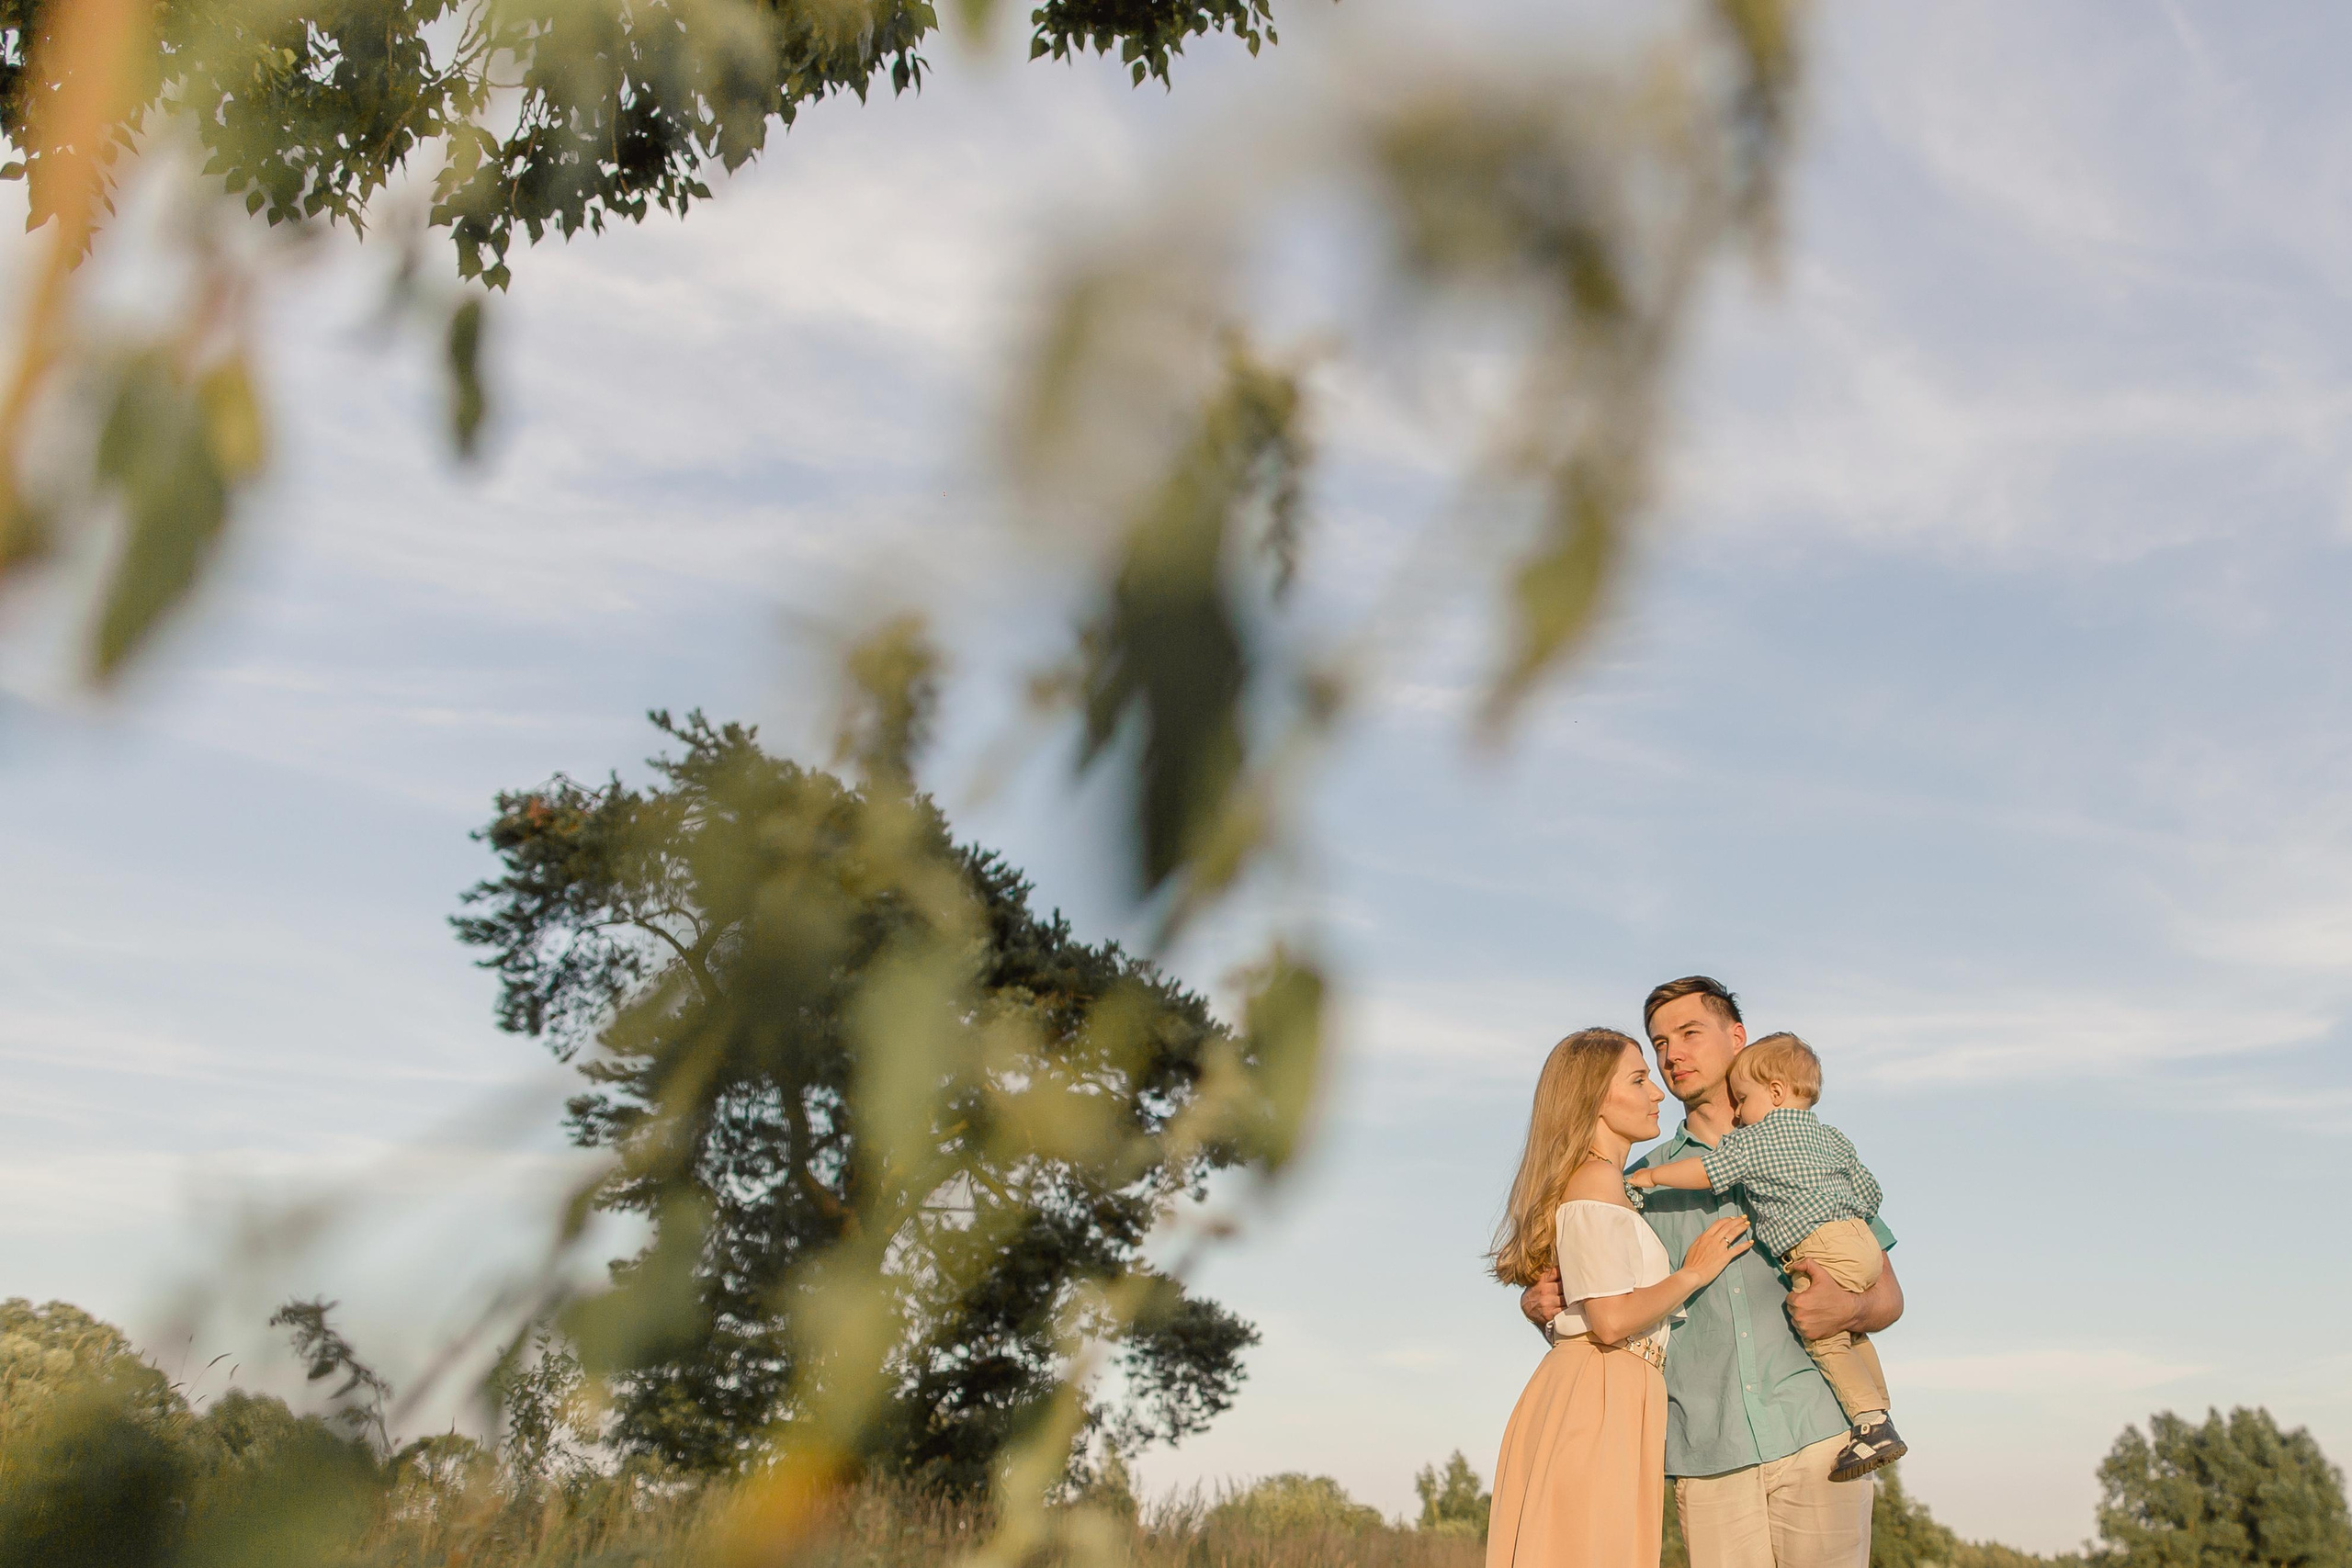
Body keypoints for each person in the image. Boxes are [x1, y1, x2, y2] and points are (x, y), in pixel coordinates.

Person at [1519, 979, 1905, 1568]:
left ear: (1738, 1037)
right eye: (1659, 1044)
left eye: (1690, 1034)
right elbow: (1598, 1305)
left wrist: (1848, 1310)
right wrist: (1544, 1303)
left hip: (1819, 1434)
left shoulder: (1813, 1150)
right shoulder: (1634, 1185)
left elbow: (1889, 1295)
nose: (1673, 1056)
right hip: (1706, 1452)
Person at [1486, 1027, 1758, 1568]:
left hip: (1615, 1387)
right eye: (1638, 1079)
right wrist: (1694, 1272)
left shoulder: (1605, 1182)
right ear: (1593, 1097)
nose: (1657, 1091)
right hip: (1602, 1387)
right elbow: (1609, 1321)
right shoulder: (1595, 1183)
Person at [1628, 1032, 1906, 1480]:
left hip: (1819, 1247)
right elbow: (1869, 1192)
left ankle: (1870, 1423)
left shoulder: (1759, 1140)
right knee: (1851, 1336)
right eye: (1659, 1041)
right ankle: (1878, 1412)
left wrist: (1651, 1176)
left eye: (1744, 1099)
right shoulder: (1831, 1136)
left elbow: (1708, 1170)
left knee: (1826, 1339)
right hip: (1856, 1236)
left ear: (1774, 1093)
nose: (1738, 1111)